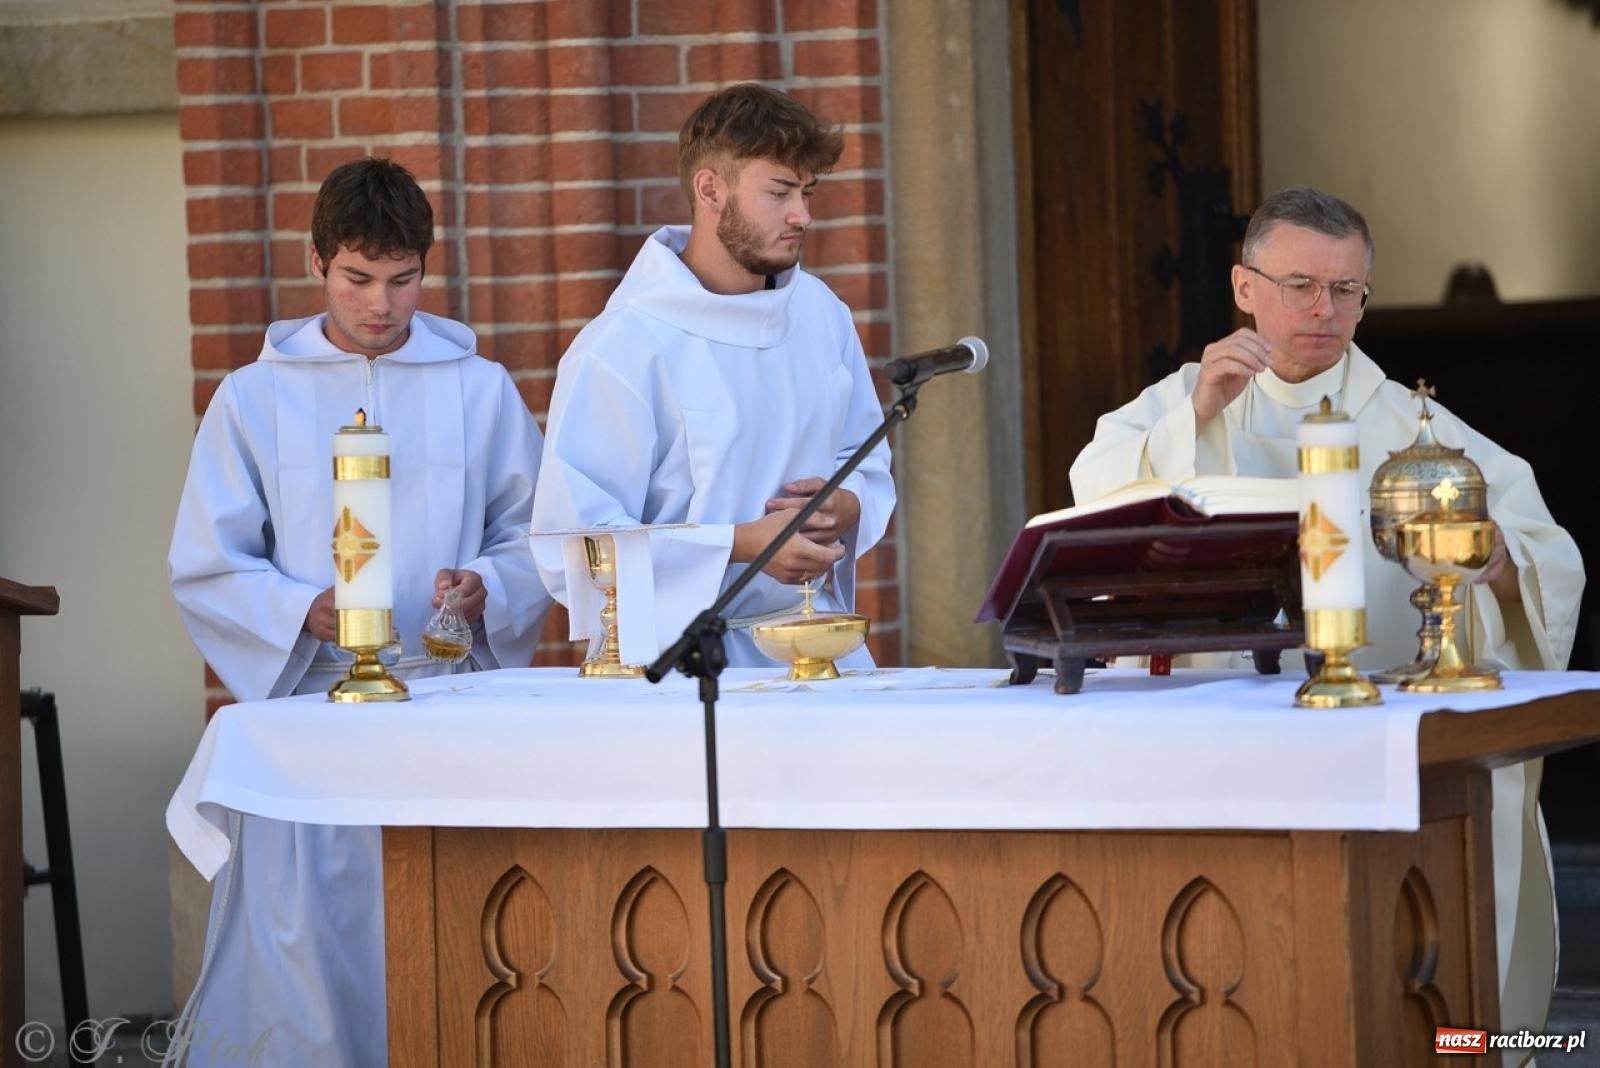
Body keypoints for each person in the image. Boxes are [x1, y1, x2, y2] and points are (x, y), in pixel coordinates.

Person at [1069, 185, 1583, 1053]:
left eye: (1347, 291)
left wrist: (1498, 565)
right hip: (1220, 737)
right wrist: (1192, 420)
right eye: (1302, 284)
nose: (1325, 310)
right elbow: (1092, 501)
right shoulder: (1181, 404)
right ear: (1244, 288)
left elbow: (1540, 548)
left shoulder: (1408, 422)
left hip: (1378, 739)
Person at [168, 157, 552, 1065]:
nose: (381, 304)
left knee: (453, 937)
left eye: (402, 279)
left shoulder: (477, 387)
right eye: (357, 279)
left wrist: (485, 588)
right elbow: (207, 561)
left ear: (427, 267)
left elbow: (540, 535)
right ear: (316, 264)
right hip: (314, 708)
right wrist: (303, 611)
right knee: (310, 953)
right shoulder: (255, 396)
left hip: (445, 700)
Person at [530, 83, 895, 666]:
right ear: (710, 191)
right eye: (779, 192)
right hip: (676, 662)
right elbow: (574, 547)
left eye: (807, 192)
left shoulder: (822, 314)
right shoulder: (626, 343)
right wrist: (740, 546)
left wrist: (848, 505)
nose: (802, 215)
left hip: (814, 647)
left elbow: (866, 455)